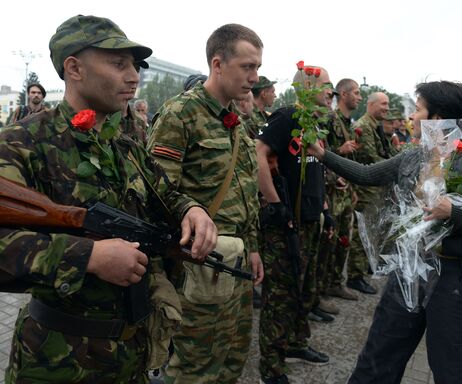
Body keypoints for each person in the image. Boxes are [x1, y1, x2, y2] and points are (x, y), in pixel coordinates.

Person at [0, 14, 217, 383]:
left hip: (132, 356)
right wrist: (90, 257)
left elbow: (166, 193)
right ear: (74, 68)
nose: (133, 76)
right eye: (119, 64)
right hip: (57, 360)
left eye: (135, 66)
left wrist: (191, 210)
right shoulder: (22, 143)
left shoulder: (126, 145)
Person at [308, 80, 462, 384]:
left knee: (454, 372)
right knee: (376, 362)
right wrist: (324, 155)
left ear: (437, 118)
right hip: (410, 271)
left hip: (460, 282)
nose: (411, 117)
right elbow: (369, 174)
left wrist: (457, 212)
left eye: (418, 109)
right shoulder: (416, 155)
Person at [147, 23, 264, 384]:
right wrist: (191, 211)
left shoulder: (235, 121)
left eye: (257, 68)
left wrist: (254, 248)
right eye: (248, 67)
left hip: (235, 262)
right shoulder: (180, 114)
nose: (254, 78)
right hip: (198, 265)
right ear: (218, 64)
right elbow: (155, 186)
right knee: (195, 366)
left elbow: (245, 192)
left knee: (232, 357)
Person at [256, 65, 333, 384]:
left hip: (311, 220)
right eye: (327, 86)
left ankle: (296, 343)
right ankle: (271, 366)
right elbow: (259, 154)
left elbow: (316, 169)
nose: (332, 94)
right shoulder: (287, 117)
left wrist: (325, 208)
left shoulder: (314, 124)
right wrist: (274, 203)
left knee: (303, 288)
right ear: (309, 88)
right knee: (281, 295)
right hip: (287, 223)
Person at [345, 92, 392, 295]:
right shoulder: (364, 126)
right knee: (360, 234)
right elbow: (372, 159)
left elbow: (386, 153)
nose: (387, 108)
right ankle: (355, 277)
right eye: (383, 104)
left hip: (374, 189)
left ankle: (364, 268)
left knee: (369, 231)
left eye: (388, 104)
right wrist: (397, 167)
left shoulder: (374, 126)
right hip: (365, 190)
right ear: (371, 104)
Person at [321, 78, 363, 302]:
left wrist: (353, 188)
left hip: (346, 190)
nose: (359, 97)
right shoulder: (329, 119)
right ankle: (321, 287)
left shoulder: (350, 124)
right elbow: (319, 153)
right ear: (343, 94)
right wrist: (340, 148)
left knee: (343, 240)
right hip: (331, 191)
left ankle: (336, 282)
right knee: (328, 240)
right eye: (355, 93)